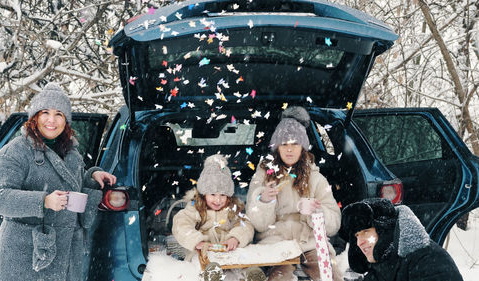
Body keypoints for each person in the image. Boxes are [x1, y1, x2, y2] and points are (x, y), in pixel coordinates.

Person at [0, 83, 116, 281]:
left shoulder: (71, 153)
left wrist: (92, 177)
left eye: (59, 114)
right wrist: (44, 201)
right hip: (27, 259)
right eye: (45, 112)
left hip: (66, 259)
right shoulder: (16, 151)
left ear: (66, 121)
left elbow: (72, 185)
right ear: (35, 117)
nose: (51, 120)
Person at [246, 106, 343, 281]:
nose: (289, 149)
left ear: (303, 147)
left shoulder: (316, 178)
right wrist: (264, 201)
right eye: (284, 144)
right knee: (277, 278)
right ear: (277, 147)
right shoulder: (262, 175)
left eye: (294, 144)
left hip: (311, 243)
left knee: (331, 276)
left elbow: (334, 224)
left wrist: (315, 213)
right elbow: (256, 224)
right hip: (273, 243)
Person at [172, 154, 265, 281]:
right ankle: (212, 274)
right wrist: (197, 241)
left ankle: (251, 273)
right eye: (213, 194)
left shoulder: (233, 207)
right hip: (204, 249)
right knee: (199, 262)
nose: (218, 200)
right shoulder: (196, 207)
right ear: (204, 194)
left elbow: (245, 224)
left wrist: (235, 238)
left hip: (228, 249)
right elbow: (181, 224)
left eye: (223, 194)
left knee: (242, 258)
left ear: (229, 195)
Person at [340, 198, 464, 281]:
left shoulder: (429, 262)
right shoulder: (383, 261)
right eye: (356, 236)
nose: (360, 242)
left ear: (384, 231)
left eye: (366, 232)